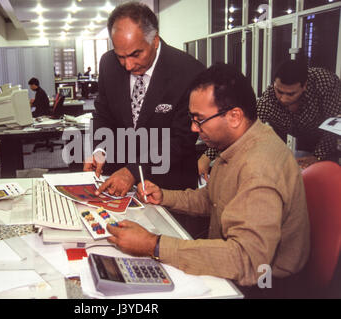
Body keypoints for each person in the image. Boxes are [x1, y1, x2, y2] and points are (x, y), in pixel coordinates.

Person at [106, 64, 310, 297]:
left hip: (266, 286)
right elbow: (214, 199)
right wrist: (165, 196)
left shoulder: (259, 167)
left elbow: (248, 261)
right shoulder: (241, 144)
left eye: (199, 119)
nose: (193, 128)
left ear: (234, 116)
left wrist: (154, 245)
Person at [84, 2, 205, 196]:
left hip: (170, 185)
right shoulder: (108, 64)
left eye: (135, 54)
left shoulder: (189, 71)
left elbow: (181, 139)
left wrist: (134, 171)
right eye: (121, 56)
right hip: (118, 183)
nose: (128, 65)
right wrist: (100, 150)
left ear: (154, 40)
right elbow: (103, 113)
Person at [198, 59, 341, 177]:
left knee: (327, 176)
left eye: (290, 94)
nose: (283, 98)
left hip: (329, 138)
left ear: (305, 86)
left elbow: (332, 127)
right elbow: (241, 127)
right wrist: (207, 156)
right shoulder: (269, 100)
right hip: (299, 137)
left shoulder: (325, 84)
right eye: (279, 91)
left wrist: (318, 156)